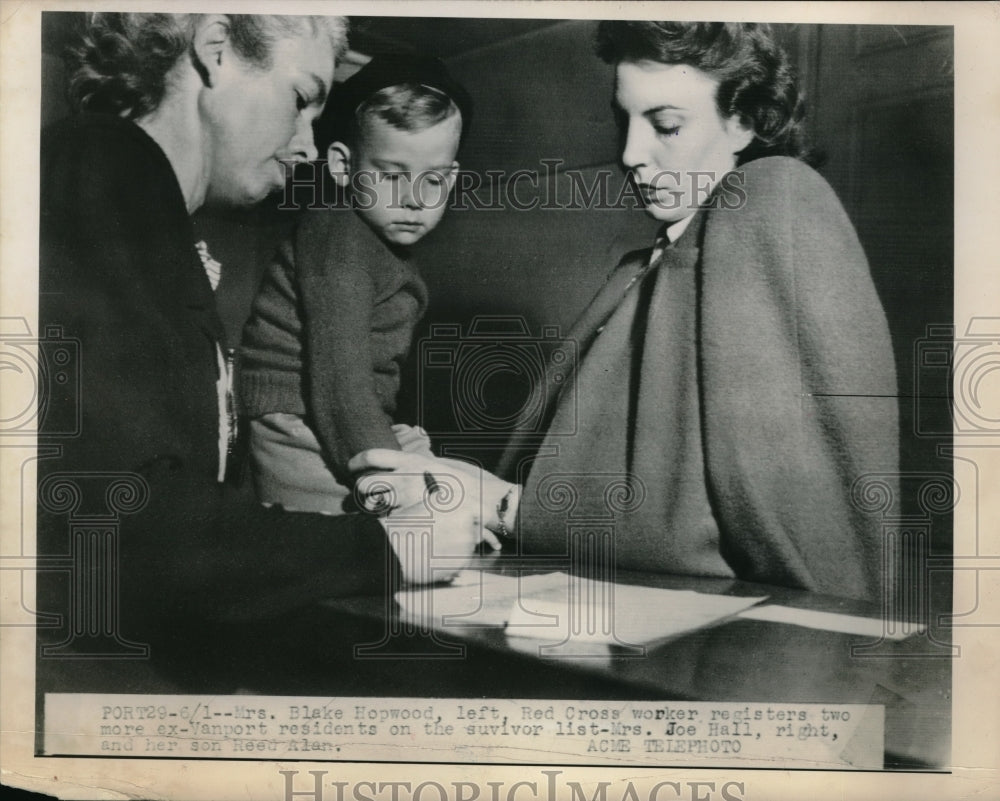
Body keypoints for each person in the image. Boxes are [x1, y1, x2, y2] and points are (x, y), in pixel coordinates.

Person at [351, 21, 900, 603]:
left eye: (666, 125)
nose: (631, 154)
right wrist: (468, 489)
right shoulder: (648, 264)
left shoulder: (774, 196)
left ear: (743, 122)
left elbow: (786, 532)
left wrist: (504, 505)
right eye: (625, 122)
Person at [37, 13, 485, 655]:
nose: (308, 147)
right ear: (216, 48)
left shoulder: (137, 200)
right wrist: (387, 546)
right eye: (300, 99)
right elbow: (117, 528)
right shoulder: (98, 170)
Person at [239, 55, 473, 516]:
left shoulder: (379, 244)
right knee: (398, 525)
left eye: (433, 179)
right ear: (343, 167)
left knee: (453, 499)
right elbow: (340, 381)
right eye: (392, 176)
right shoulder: (338, 237)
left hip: (345, 415)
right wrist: (391, 480)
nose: (413, 199)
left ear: (451, 179)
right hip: (298, 422)